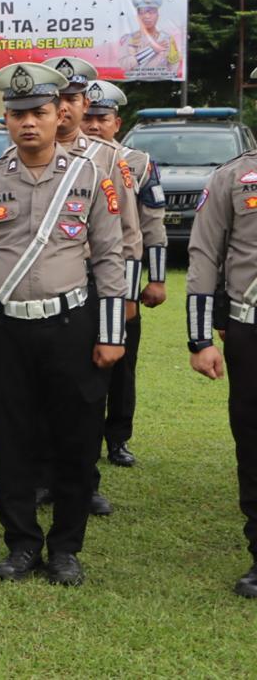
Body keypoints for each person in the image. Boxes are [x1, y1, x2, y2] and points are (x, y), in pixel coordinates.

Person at [0, 61, 126, 587]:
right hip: (5, 330)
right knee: (10, 439)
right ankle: (22, 543)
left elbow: (111, 257)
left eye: (39, 112)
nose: (28, 122)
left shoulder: (91, 175)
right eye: (18, 113)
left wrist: (111, 333)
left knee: (76, 439)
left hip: (71, 324)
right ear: (6, 120)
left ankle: (66, 547)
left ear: (59, 115)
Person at [34, 55, 142, 517]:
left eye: (74, 99)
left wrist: (125, 301)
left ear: (83, 103)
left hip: (95, 290)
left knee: (86, 393)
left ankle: (84, 480)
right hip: (42, 293)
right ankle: (40, 478)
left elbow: (129, 237)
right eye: (57, 99)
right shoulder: (21, 159)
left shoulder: (109, 159)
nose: (66, 108)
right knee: (38, 392)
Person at [187, 67, 257, 598]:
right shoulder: (232, 177)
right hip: (248, 331)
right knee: (252, 441)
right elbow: (204, 257)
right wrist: (200, 338)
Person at [80, 80, 168, 468]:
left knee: (121, 363)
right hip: (76, 276)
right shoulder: (66, 157)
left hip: (119, 278)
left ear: (118, 122)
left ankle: (117, 437)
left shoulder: (137, 162)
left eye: (102, 119)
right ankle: (79, 440)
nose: (94, 125)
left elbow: (150, 226)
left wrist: (152, 282)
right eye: (88, 117)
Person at [118, 0, 182, 77]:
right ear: (137, 16)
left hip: (161, 85)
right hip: (134, 84)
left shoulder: (167, 39)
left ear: (157, 15)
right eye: (142, 12)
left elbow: (174, 68)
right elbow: (123, 65)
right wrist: (151, 50)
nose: (147, 16)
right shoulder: (128, 39)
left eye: (151, 12)